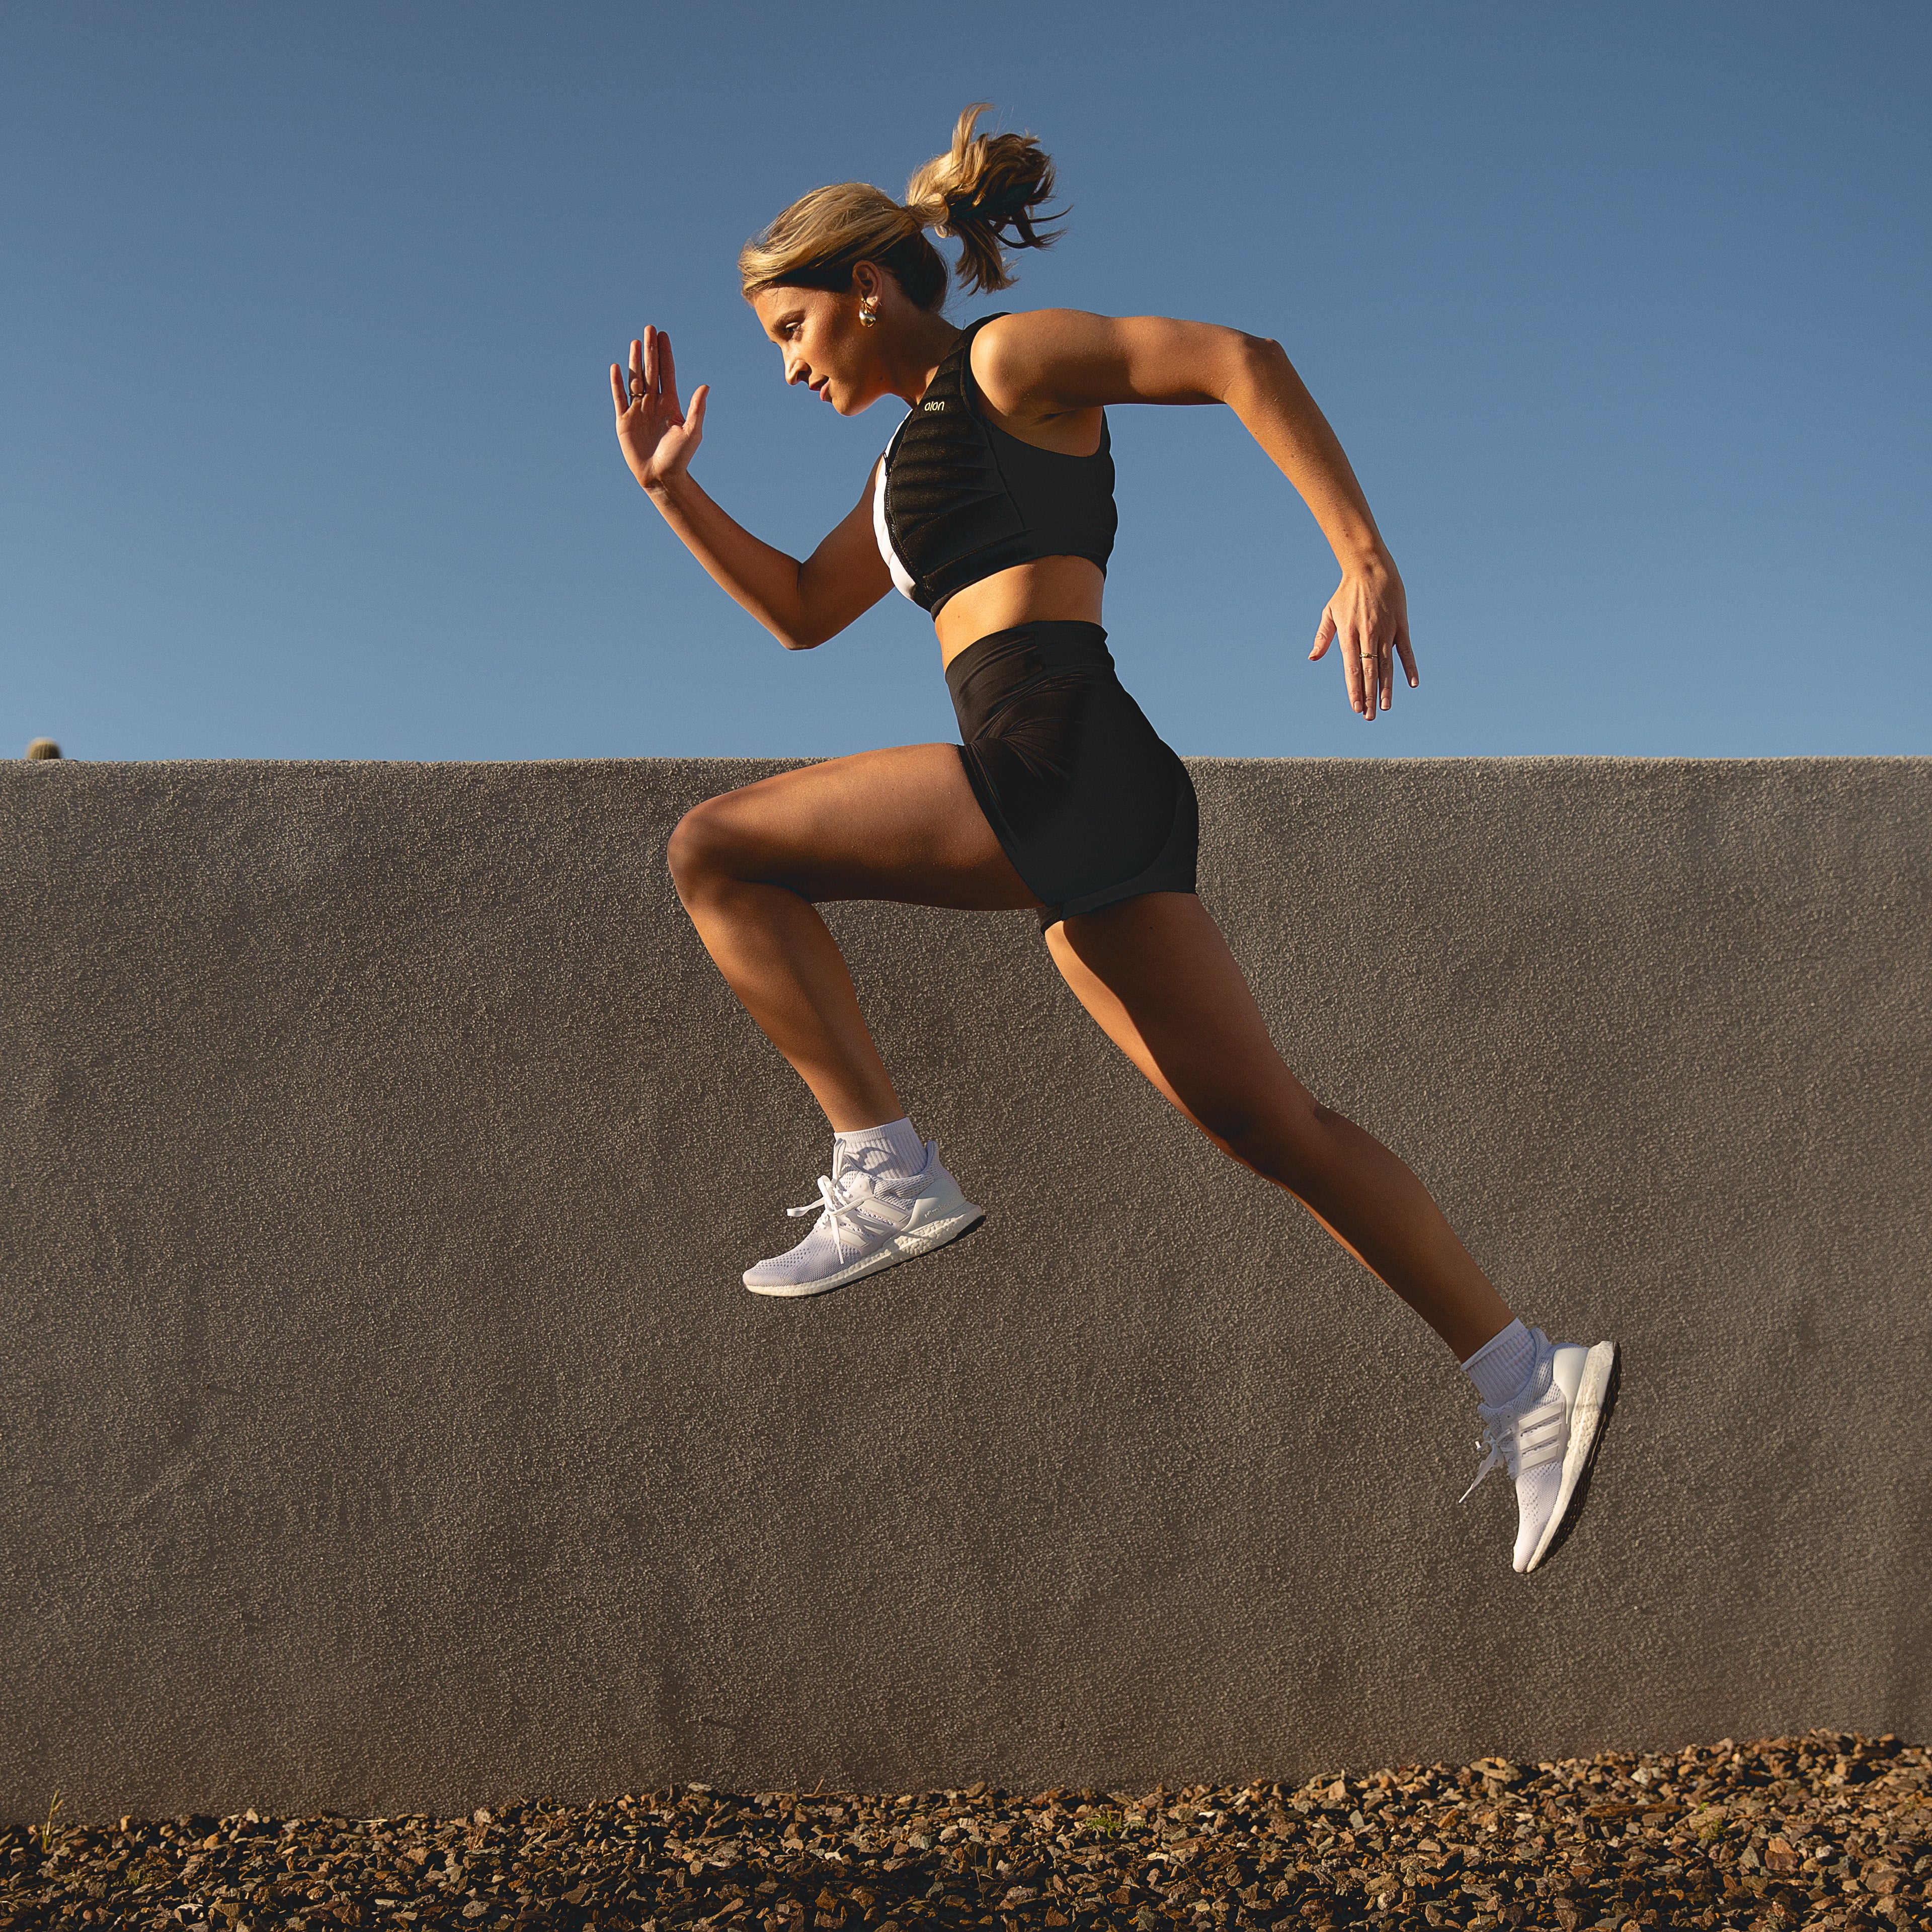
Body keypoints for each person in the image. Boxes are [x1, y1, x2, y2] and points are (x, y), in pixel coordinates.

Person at [610, 106, 1617, 1574]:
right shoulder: (898, 480)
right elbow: (798, 615)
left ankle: (886, 1167)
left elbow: (1235, 362)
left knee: (716, 849)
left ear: (870, 288)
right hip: (1091, 786)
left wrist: (1362, 551)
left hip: (1056, 744)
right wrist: (671, 489)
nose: (786, 364)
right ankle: (1525, 1372)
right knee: (1272, 1129)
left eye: (789, 326)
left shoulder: (1006, 366)